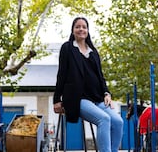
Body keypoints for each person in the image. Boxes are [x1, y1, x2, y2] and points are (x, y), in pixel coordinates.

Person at [53, 17, 123, 152]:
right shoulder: (67, 48)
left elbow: (100, 76)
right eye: (77, 27)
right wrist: (57, 99)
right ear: (73, 30)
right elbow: (61, 74)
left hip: (98, 98)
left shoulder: (93, 52)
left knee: (118, 122)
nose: (81, 29)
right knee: (104, 119)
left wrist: (107, 93)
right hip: (78, 99)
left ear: (88, 30)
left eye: (84, 27)